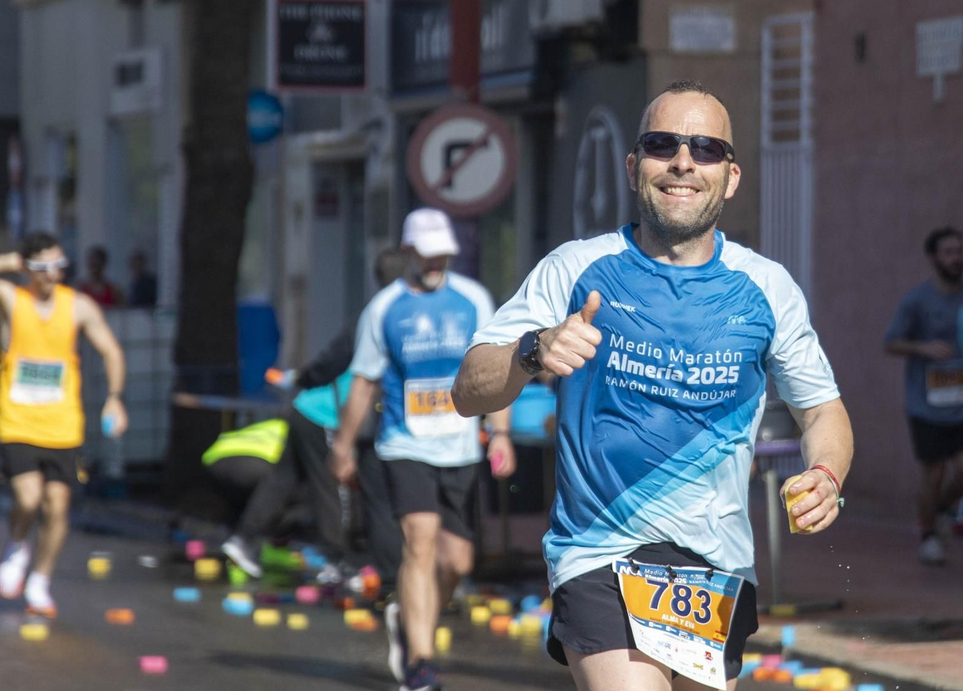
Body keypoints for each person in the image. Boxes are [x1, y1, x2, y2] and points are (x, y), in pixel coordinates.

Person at [456, 81, 851, 691]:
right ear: (635, 164)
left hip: (715, 562)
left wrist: (825, 475)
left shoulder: (767, 288)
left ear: (732, 175)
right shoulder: (574, 268)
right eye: (663, 144)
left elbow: (823, 411)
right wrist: (533, 350)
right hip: (599, 551)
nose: (684, 162)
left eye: (706, 148)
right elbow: (468, 389)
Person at [330, 209, 514, 691]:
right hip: (404, 445)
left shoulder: (473, 299)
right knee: (420, 541)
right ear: (408, 253)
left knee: (456, 563)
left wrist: (501, 434)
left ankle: (407, 618)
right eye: (426, 255)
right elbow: (364, 382)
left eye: (442, 255)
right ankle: (421, 662)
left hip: (459, 448)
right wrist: (344, 446)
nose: (435, 263)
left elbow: (496, 372)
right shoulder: (384, 309)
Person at [0, 232, 128, 619]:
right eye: (44, 267)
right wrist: (13, 261)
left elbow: (111, 351)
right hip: (17, 421)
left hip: (62, 426)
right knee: (28, 498)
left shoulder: (78, 307)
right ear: (28, 269)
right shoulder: (11, 299)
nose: (53, 274)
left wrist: (116, 399)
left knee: (57, 507)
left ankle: (40, 579)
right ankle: (17, 547)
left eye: (59, 265)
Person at [222, 247, 409, 586]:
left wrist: (301, 381)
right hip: (326, 413)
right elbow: (335, 360)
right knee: (332, 486)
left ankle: (243, 540)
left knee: (282, 479)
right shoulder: (384, 315)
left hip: (306, 407)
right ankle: (337, 560)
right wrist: (304, 377)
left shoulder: (377, 312)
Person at [884, 227, 963, 565]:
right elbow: (891, 342)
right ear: (933, 258)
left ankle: (941, 510)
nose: (956, 258)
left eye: (960, 251)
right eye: (948, 252)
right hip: (926, 405)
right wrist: (923, 347)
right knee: (932, 473)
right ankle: (929, 535)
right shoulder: (917, 300)